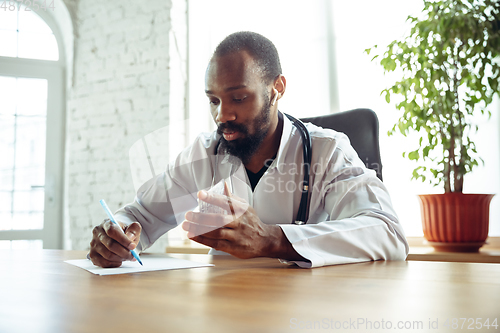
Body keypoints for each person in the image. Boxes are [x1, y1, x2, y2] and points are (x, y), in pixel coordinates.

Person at [89, 31, 409, 268]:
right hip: (223, 308)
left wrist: (272, 239)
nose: (222, 115)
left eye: (238, 98)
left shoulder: (327, 150)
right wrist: (117, 234)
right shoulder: (204, 152)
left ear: (277, 88)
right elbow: (141, 215)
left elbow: (388, 232)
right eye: (214, 100)